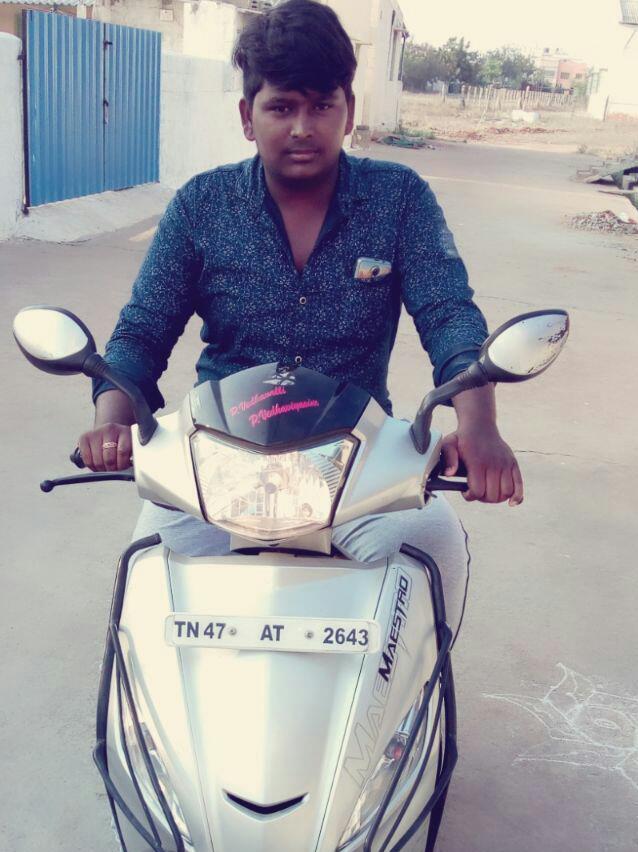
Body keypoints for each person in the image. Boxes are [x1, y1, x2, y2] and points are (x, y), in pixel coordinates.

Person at [78, 0, 522, 630]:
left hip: (359, 460)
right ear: (247, 116)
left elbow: (448, 314)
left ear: (349, 112)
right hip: (217, 459)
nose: (302, 128)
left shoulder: (398, 198)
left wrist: (479, 426)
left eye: (321, 106)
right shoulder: (202, 206)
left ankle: (419, 691)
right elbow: (142, 332)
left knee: (432, 549)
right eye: (282, 107)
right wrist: (110, 422)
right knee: (147, 585)